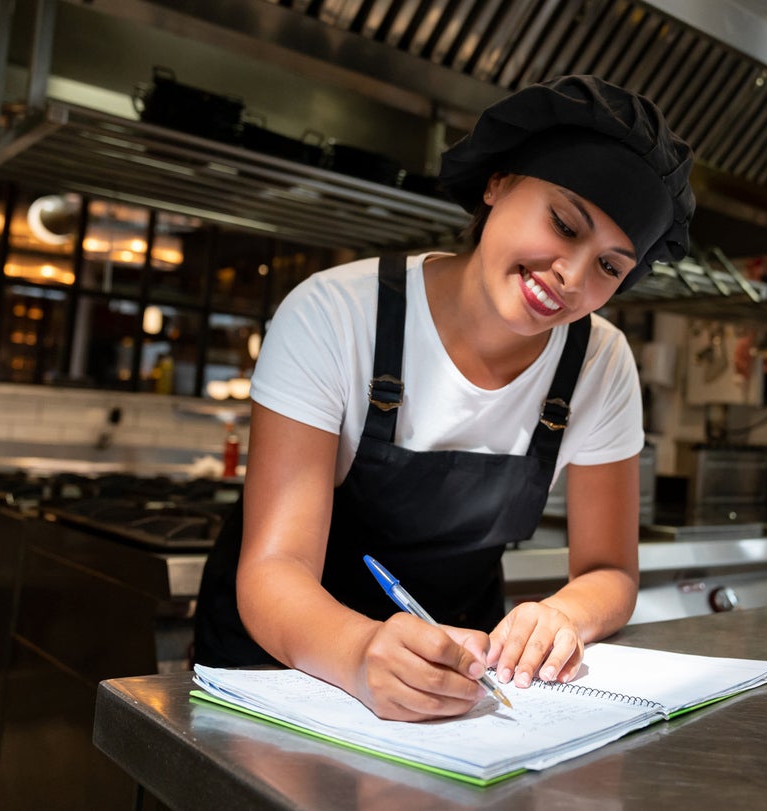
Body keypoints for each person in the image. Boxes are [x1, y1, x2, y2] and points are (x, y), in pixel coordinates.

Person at [194, 75, 695, 722]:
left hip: (459, 690)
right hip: (287, 673)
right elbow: (273, 571)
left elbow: (610, 572)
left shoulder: (599, 364)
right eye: (565, 224)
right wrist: (361, 652)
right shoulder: (334, 315)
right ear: (497, 183)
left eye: (609, 267)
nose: (571, 276)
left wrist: (562, 615)